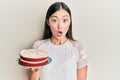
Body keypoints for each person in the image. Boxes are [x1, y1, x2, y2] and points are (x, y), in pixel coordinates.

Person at [28, 2, 88, 80]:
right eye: (54, 20)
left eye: (64, 20)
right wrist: (35, 69)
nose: (60, 26)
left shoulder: (78, 48)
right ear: (48, 22)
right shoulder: (38, 47)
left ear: (70, 21)